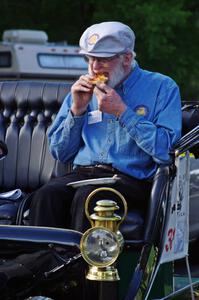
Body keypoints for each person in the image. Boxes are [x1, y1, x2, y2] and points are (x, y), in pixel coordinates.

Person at [29, 21, 182, 231]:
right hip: (83, 173)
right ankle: (42, 262)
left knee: (89, 198)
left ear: (126, 58)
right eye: (90, 59)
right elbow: (60, 153)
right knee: (46, 195)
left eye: (102, 60)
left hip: (129, 179)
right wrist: (77, 110)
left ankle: (83, 264)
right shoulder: (82, 90)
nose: (94, 67)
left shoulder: (162, 87)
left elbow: (165, 151)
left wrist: (122, 112)